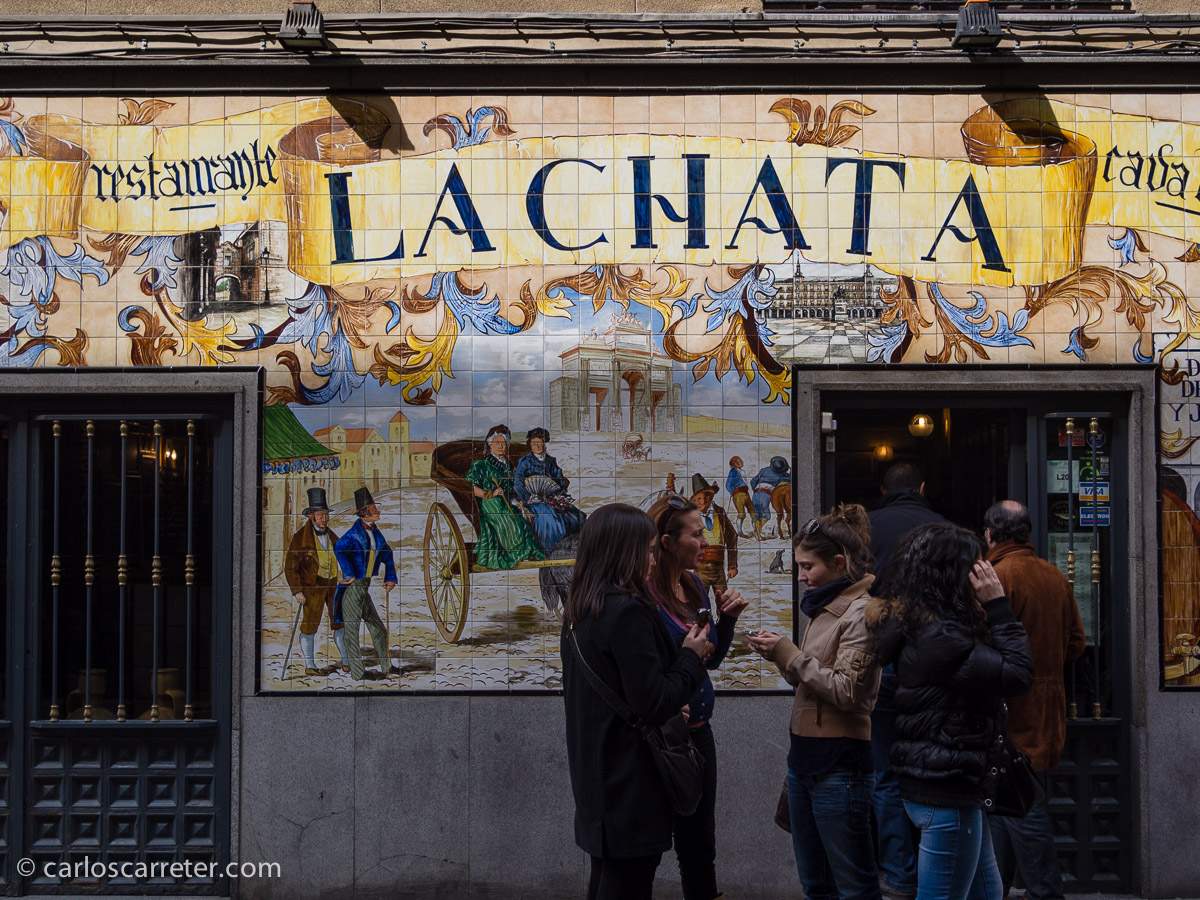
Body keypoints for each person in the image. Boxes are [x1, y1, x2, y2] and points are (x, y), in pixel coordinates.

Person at [868, 523, 1034, 900]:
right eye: (975, 565)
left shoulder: (928, 624)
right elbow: (1018, 675)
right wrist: (998, 606)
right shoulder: (940, 635)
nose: (984, 573)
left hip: (947, 781)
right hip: (947, 790)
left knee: (988, 891)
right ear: (951, 574)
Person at [561, 503, 710, 900]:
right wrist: (691, 658)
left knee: (605, 880)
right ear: (623, 551)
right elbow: (654, 701)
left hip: (596, 773)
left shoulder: (581, 609)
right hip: (631, 777)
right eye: (645, 549)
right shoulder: (628, 611)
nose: (650, 559)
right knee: (628, 884)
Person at [748, 505, 884, 900]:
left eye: (808, 566)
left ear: (838, 562)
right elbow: (812, 686)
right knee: (814, 885)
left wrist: (789, 655)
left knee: (854, 887)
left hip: (839, 764)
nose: (800, 576)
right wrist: (778, 654)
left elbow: (849, 693)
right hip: (805, 759)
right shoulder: (823, 607)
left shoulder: (860, 613)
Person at [647, 494, 750, 900]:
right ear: (668, 542)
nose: (706, 542)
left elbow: (708, 662)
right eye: (696, 534)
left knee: (699, 844)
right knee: (650, 845)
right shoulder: (644, 599)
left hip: (698, 733)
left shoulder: (693, 586)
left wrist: (727, 621)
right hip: (659, 740)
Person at [984, 501, 1085, 900]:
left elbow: (981, 645)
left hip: (1009, 708)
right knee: (1005, 800)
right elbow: (1076, 643)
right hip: (1047, 706)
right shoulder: (1054, 575)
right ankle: (997, 887)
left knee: (1020, 800)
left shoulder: (994, 577)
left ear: (990, 535)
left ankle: (1045, 892)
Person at [868, 461, 947, 900]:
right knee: (934, 769)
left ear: (883, 489)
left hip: (880, 661)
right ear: (921, 487)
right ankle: (940, 869)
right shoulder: (942, 528)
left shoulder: (867, 527)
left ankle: (898, 874)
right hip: (931, 664)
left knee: (883, 775)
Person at [334, 487, 398, 681]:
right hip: (353, 590)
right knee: (352, 631)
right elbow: (339, 547)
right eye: (373, 508)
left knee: (378, 628)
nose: (377, 510)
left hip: (364, 589)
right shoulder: (353, 534)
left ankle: (387, 666)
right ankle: (357, 672)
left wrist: (390, 577)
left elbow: (387, 553)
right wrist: (348, 573)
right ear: (364, 513)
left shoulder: (376, 533)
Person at [284, 487, 349, 675]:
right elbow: (290, 567)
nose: (324, 520)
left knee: (339, 622)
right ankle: (310, 665)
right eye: (320, 516)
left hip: (332, 585)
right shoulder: (300, 538)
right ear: (311, 516)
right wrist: (297, 591)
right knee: (310, 624)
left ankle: (346, 661)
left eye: (326, 515)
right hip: (312, 586)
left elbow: (342, 554)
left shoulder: (331, 535)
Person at [466, 424, 545, 569]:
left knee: (522, 518)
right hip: (490, 503)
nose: (501, 446)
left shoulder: (508, 465)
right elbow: (472, 488)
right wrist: (490, 493)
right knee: (507, 521)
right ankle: (511, 556)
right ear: (490, 445)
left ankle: (526, 553)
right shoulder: (481, 465)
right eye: (497, 443)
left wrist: (517, 501)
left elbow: (511, 490)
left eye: (503, 443)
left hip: (506, 501)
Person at [513, 426, 586, 553]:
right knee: (550, 517)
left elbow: (558, 482)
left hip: (550, 499)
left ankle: (578, 549)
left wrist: (559, 496)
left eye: (540, 442)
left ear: (544, 443)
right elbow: (518, 483)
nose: (538, 446)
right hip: (532, 501)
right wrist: (528, 497)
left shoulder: (551, 461)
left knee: (576, 515)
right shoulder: (524, 462)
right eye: (534, 443)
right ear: (530, 444)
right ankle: (553, 551)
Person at [688, 474, 739, 592]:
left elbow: (732, 537)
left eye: (699, 499)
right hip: (700, 569)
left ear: (708, 497)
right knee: (699, 603)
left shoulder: (719, 512)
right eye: (694, 500)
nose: (697, 503)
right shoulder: (691, 515)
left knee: (724, 603)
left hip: (718, 570)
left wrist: (732, 566)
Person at [750, 456, 790, 540]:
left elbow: (753, 481)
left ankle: (756, 531)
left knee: (757, 514)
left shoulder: (763, 470)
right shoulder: (782, 475)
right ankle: (757, 531)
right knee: (766, 515)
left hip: (756, 493)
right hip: (766, 494)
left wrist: (755, 490)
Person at [725, 456, 753, 537]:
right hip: (738, 494)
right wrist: (733, 492)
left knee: (752, 511)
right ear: (736, 463)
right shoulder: (733, 471)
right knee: (741, 513)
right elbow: (728, 484)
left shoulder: (741, 471)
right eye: (740, 460)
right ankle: (740, 532)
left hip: (745, 493)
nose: (742, 461)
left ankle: (756, 531)